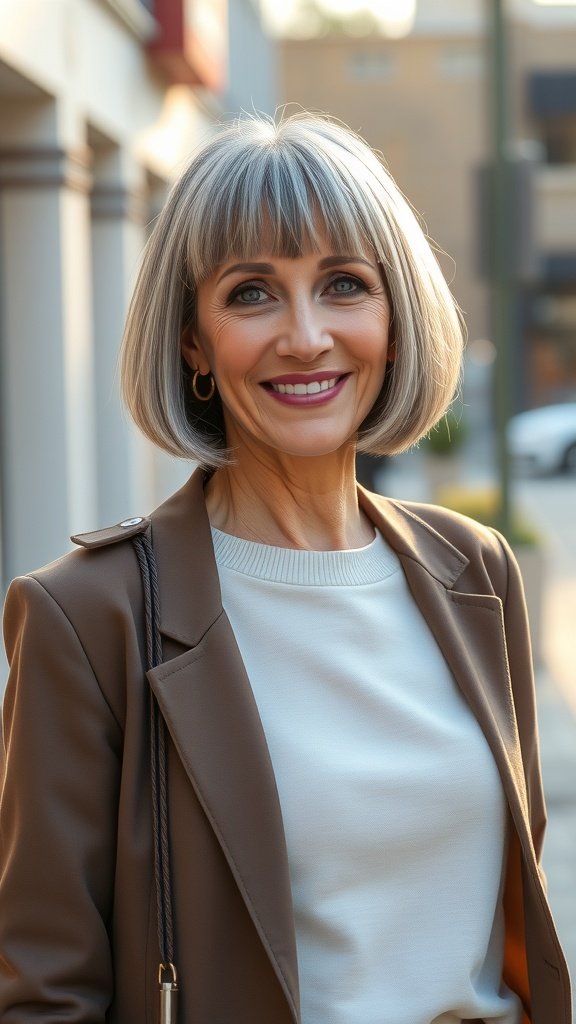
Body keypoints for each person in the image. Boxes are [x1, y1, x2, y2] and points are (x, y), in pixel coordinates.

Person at [0, 112, 571, 1024]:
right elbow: (44, 996)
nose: (305, 337)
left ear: (393, 315)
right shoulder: (87, 618)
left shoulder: (477, 574)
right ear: (192, 339)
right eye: (252, 294)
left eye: (344, 284)